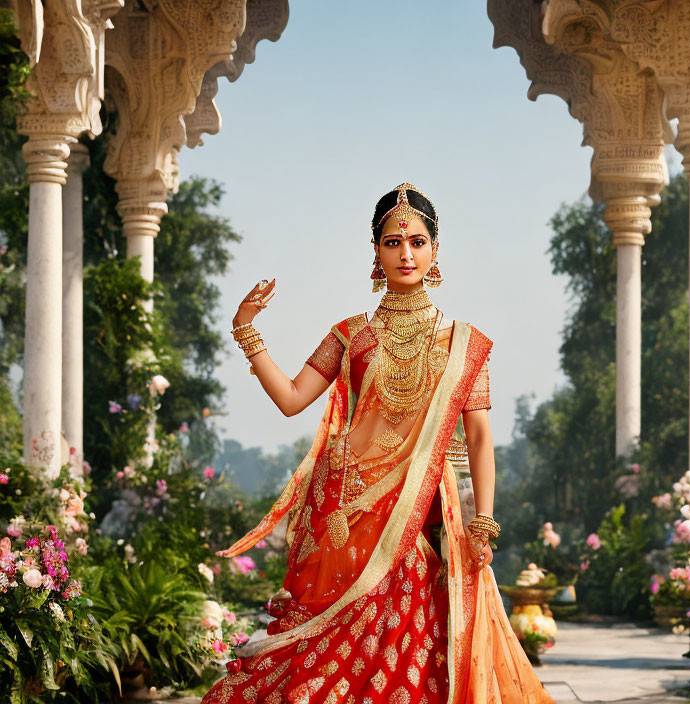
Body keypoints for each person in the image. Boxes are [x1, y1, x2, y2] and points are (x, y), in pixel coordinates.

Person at [202, 183, 554, 703]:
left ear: (436, 249)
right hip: (350, 517)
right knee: (329, 653)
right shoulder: (350, 334)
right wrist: (247, 333)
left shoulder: (465, 343)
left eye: (416, 241)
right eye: (392, 242)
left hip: (421, 521)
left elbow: (479, 437)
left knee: (416, 649)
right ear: (375, 251)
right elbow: (294, 399)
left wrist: (484, 521)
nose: (405, 253)